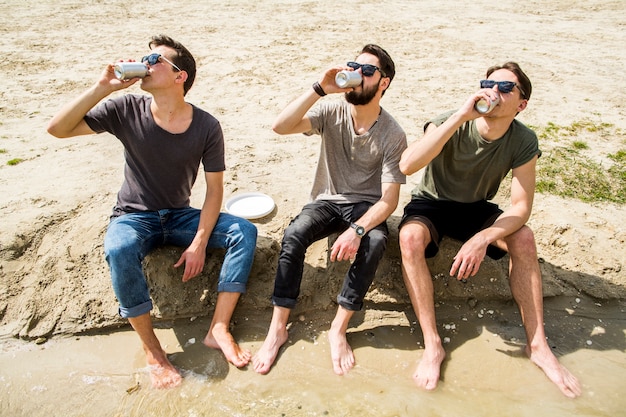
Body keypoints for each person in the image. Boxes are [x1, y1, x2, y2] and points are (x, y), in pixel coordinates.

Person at [46, 35, 257, 389]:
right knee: (118, 249)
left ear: (180, 77)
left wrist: (200, 242)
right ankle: (153, 349)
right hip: (133, 216)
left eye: (154, 59)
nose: (145, 64)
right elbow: (57, 129)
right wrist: (102, 88)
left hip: (179, 215)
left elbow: (215, 190)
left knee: (244, 232)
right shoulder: (125, 109)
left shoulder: (207, 126)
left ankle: (218, 328)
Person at [398, 62, 582, 398]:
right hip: (431, 203)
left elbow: (521, 208)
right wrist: (458, 117)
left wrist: (483, 237)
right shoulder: (448, 121)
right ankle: (433, 344)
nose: (493, 92)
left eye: (505, 88)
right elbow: (408, 165)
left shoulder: (523, 139)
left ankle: (538, 346)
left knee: (523, 238)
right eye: (487, 83)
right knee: (409, 237)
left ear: (521, 104)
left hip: (476, 209)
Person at [252, 44, 407, 376]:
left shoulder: (393, 134)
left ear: (384, 83)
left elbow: (389, 202)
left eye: (367, 71)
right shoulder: (332, 111)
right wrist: (319, 89)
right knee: (293, 234)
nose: (356, 75)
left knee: (376, 241)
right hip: (326, 200)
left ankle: (339, 327)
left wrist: (357, 230)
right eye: (354, 67)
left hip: (367, 205)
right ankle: (278, 327)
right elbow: (280, 127)